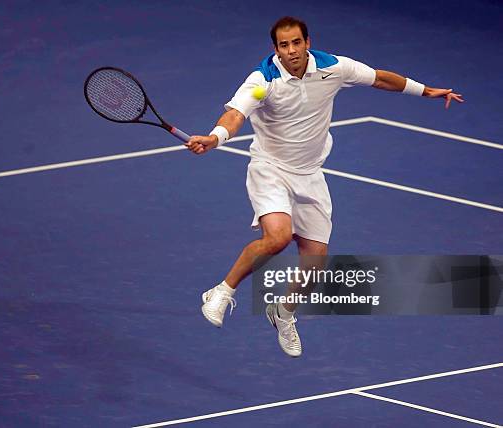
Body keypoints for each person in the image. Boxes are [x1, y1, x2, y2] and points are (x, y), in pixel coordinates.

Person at [185, 16, 464, 357]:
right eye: (283, 45)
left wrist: (425, 90)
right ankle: (222, 291)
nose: (291, 51)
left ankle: (283, 314)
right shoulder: (262, 80)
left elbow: (379, 78)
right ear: (276, 49)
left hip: (310, 174)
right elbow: (235, 114)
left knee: (314, 264)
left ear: (307, 42)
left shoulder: (335, 67)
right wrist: (216, 138)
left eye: (296, 43)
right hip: (270, 168)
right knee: (277, 238)